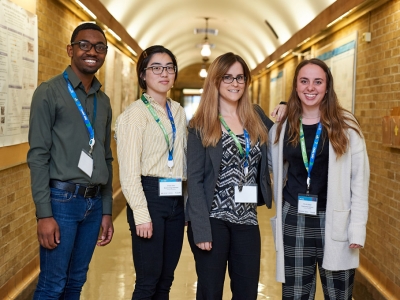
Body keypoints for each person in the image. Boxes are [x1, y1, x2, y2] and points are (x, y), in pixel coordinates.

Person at [268, 58, 369, 299]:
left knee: (338, 294)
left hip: (336, 220)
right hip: (294, 218)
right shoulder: (284, 126)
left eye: (317, 81)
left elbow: (360, 180)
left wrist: (357, 229)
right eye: (304, 81)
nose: (310, 88)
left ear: (327, 87)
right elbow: (272, 165)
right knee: (295, 294)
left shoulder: (346, 125)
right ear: (295, 86)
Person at [27, 22, 114, 299]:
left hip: (93, 203)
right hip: (61, 202)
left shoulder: (104, 101)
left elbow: (106, 156)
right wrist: (44, 214)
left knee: (76, 282)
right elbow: (38, 156)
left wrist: (107, 209)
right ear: (70, 49)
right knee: (53, 285)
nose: (92, 52)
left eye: (100, 47)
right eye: (84, 45)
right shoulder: (49, 92)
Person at [186, 52, 275, 299]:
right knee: (210, 292)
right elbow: (194, 180)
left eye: (240, 78)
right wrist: (201, 230)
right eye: (227, 77)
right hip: (213, 220)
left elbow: (284, 130)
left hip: (247, 220)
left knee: (247, 293)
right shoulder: (200, 124)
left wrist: (288, 108)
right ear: (215, 80)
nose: (235, 83)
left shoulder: (255, 117)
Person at [114, 45, 186, 299]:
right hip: (149, 197)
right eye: (156, 68)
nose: (164, 73)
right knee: (148, 281)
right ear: (143, 75)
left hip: (176, 198)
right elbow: (129, 173)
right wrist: (141, 215)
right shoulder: (134, 116)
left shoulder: (178, 111)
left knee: (166, 280)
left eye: (169, 68)